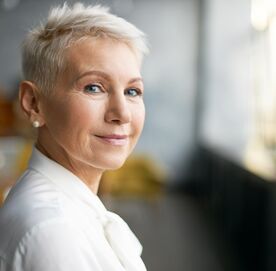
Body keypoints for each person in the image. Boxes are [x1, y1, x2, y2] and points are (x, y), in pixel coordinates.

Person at [0, 3, 148, 270]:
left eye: (133, 91)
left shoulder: (67, 210)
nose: (122, 114)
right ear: (34, 103)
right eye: (94, 87)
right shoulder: (53, 231)